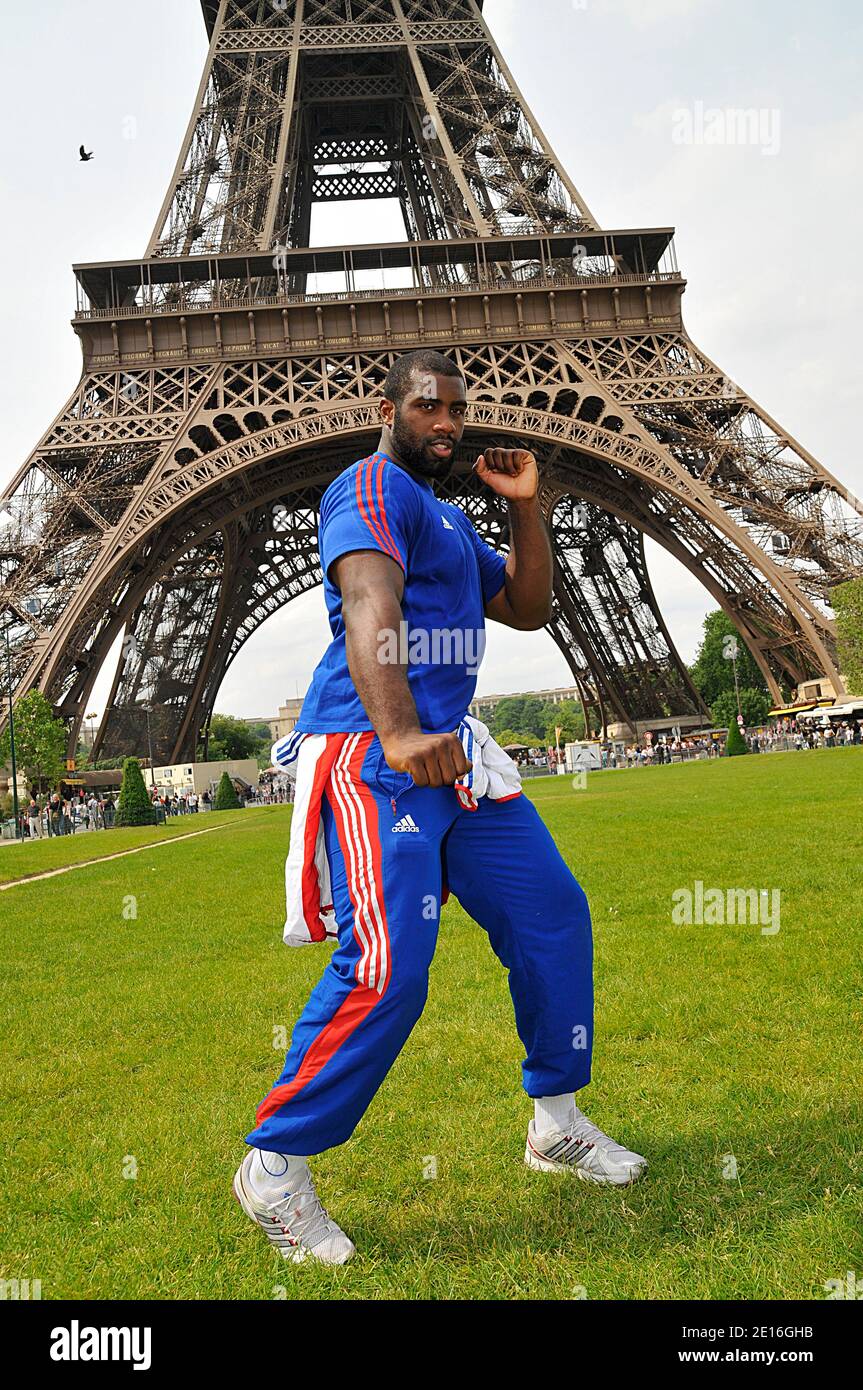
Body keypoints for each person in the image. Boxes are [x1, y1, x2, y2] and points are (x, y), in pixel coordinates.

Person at [234, 349, 647, 1267]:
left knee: (550, 914)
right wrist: (396, 735)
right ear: (387, 408)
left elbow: (531, 607)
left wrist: (526, 505)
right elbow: (365, 599)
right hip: (376, 752)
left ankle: (555, 1125)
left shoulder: (452, 519)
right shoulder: (368, 485)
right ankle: (274, 1166)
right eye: (429, 406)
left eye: (458, 409)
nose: (448, 424)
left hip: (453, 754)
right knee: (389, 967)